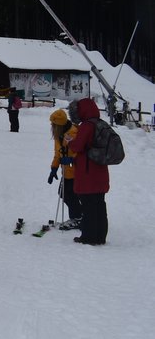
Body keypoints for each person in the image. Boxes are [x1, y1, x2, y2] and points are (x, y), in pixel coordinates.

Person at [64, 98, 109, 245]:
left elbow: (78, 146)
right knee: (99, 205)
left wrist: (70, 141)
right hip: (100, 171)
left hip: (88, 172)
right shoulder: (101, 124)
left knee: (88, 206)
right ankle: (100, 236)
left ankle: (88, 237)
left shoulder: (86, 126)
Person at [49, 109, 83, 230]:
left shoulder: (72, 133)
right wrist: (54, 168)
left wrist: (71, 159)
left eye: (53, 124)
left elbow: (79, 151)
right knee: (64, 193)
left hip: (75, 171)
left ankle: (78, 218)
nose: (51, 127)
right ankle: (78, 216)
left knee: (69, 195)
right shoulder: (59, 135)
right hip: (66, 171)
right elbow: (58, 153)